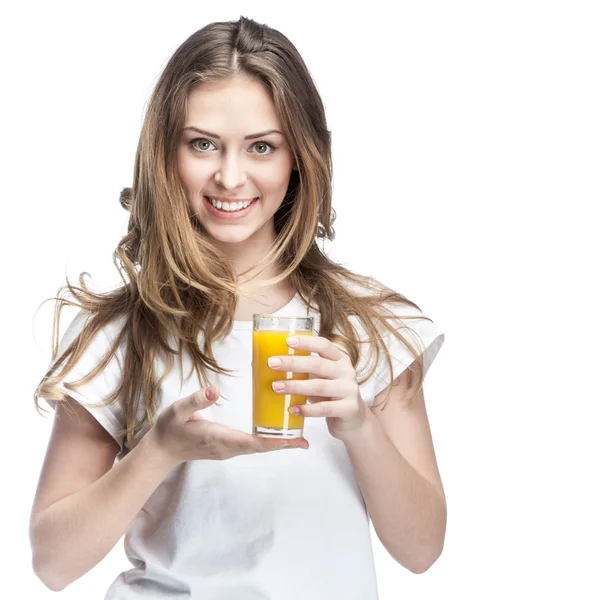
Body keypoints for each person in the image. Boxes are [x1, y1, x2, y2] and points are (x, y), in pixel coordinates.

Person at [29, 15, 447, 599]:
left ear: (298, 155)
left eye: (261, 147)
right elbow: (53, 562)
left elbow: (422, 549)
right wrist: (161, 449)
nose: (229, 176)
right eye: (203, 144)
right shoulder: (120, 333)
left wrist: (360, 425)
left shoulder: (370, 327)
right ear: (165, 152)